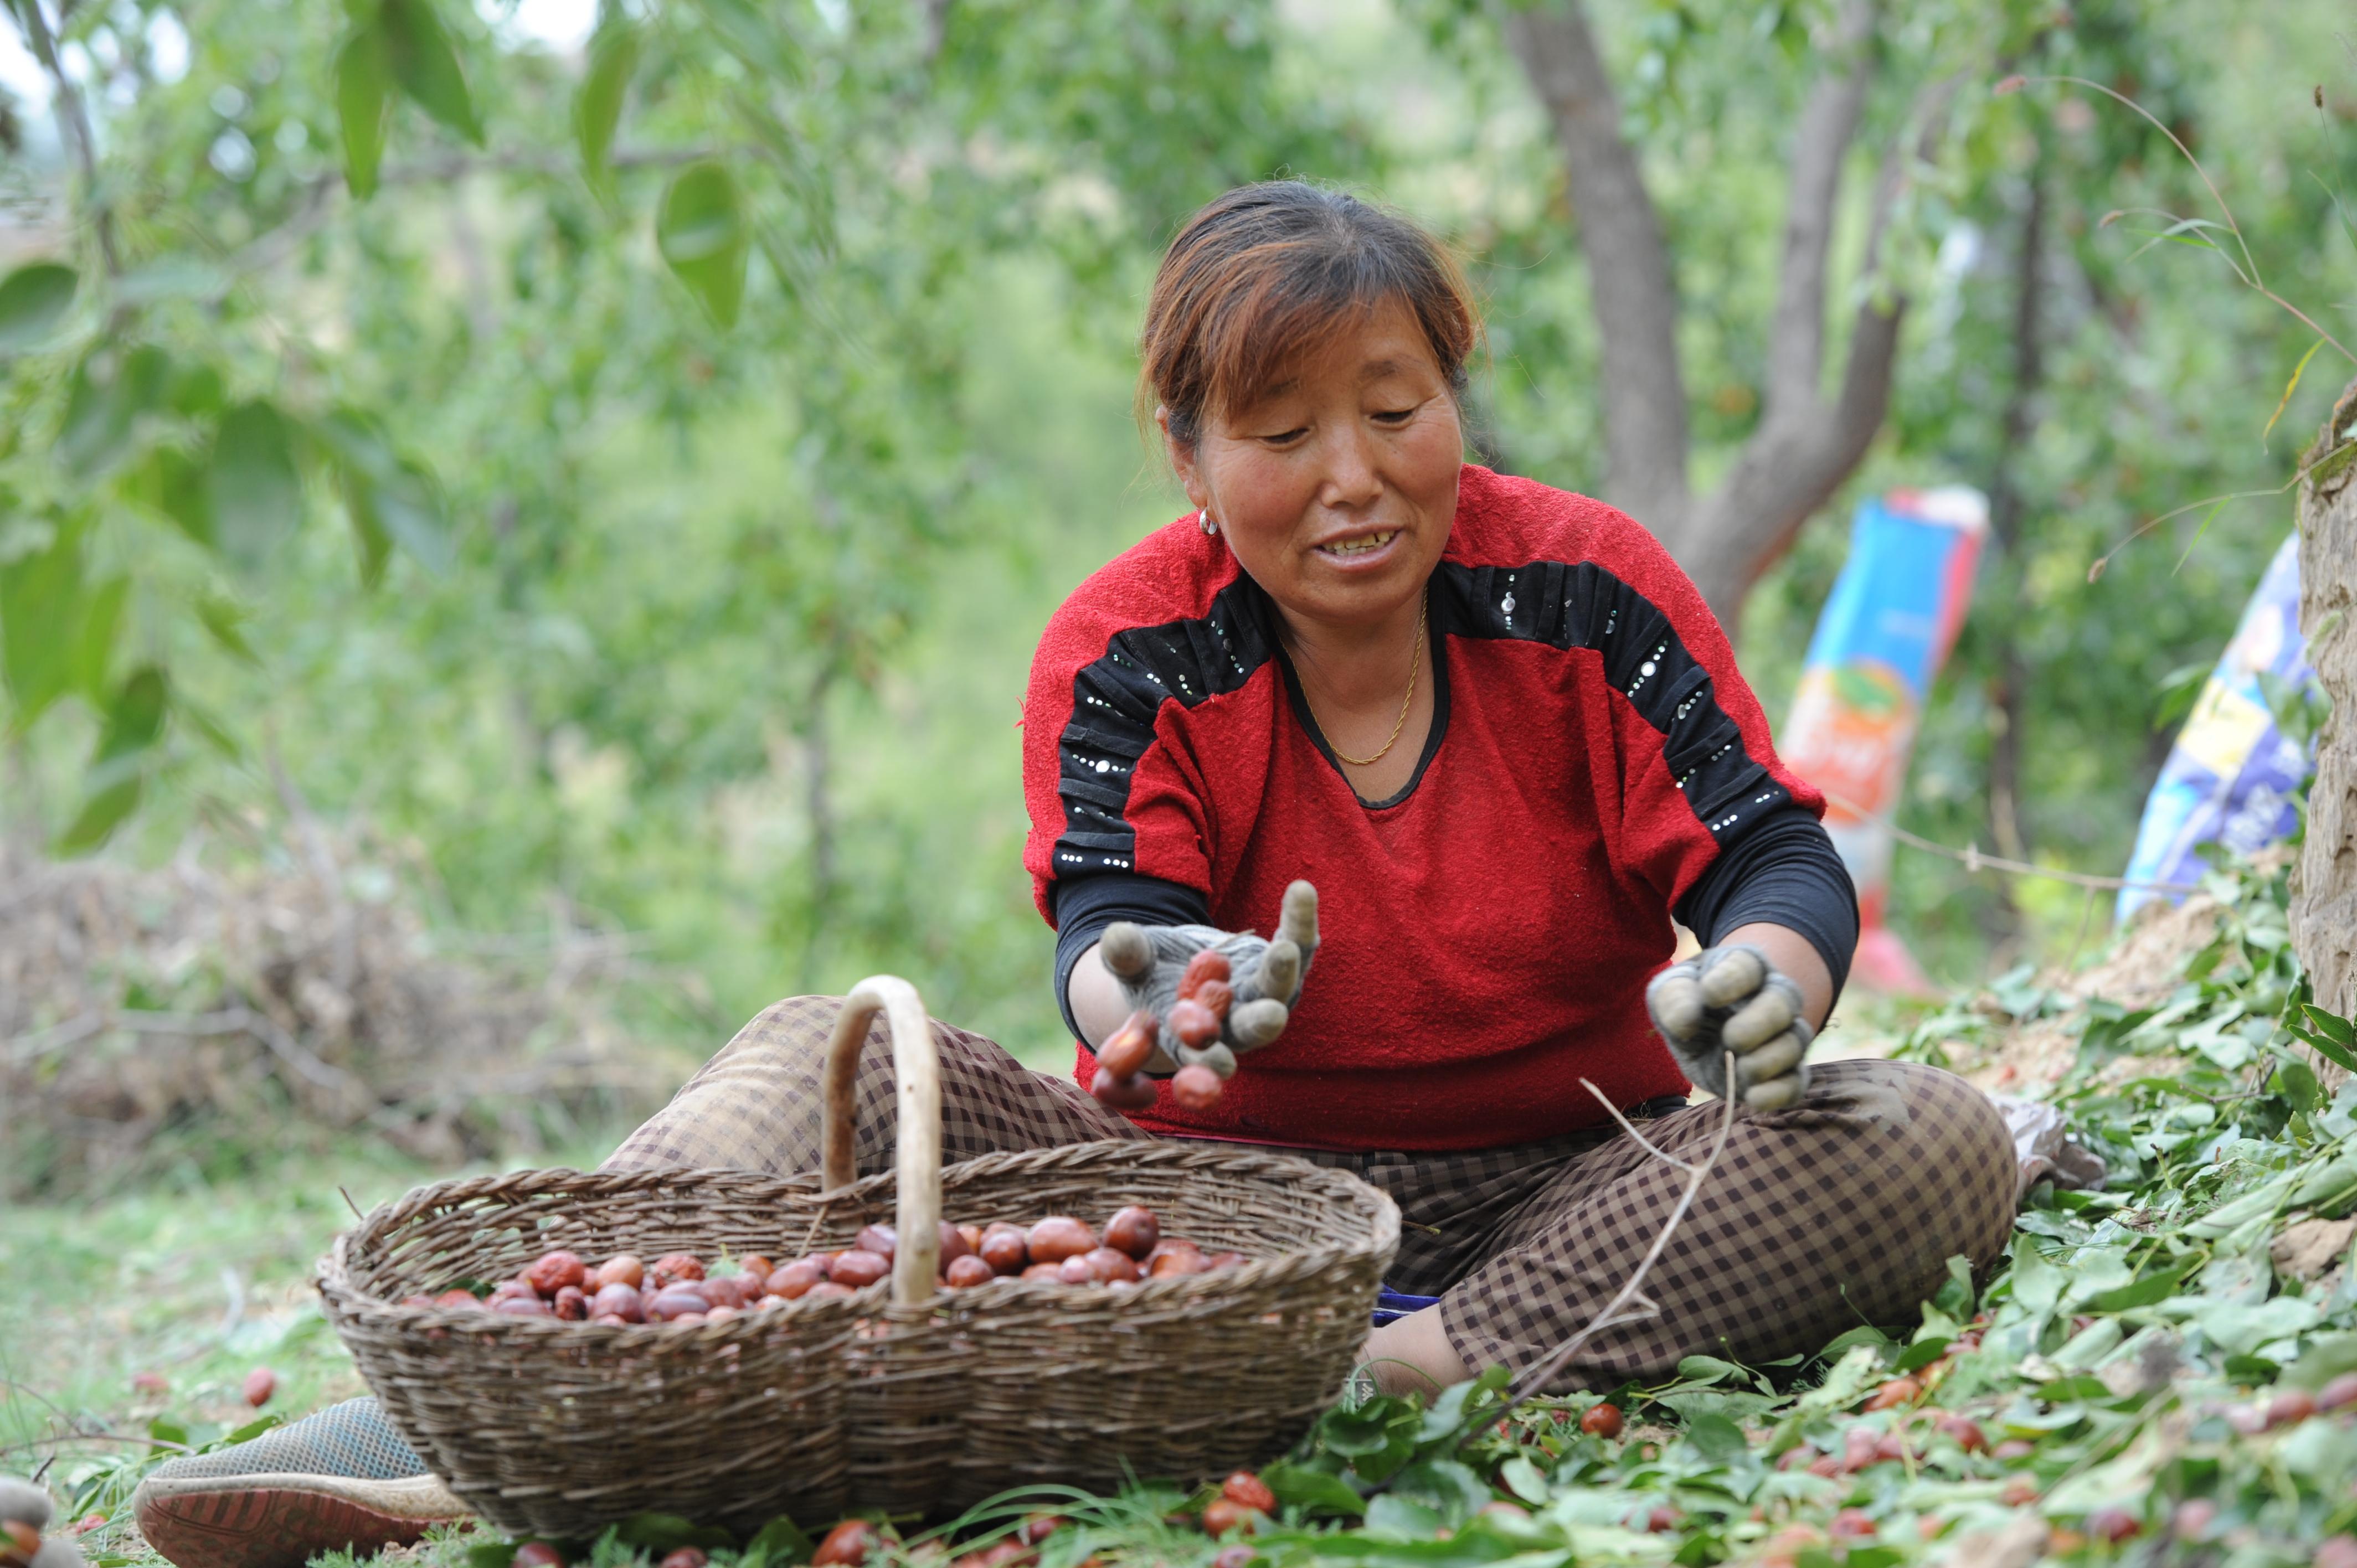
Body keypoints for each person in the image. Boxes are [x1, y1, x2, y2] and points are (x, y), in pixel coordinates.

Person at [131, 182, 2015, 1568]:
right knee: (828, 1051)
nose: (1354, 475)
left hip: (1563, 1194)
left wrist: (1771, 968)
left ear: (1457, 398)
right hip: (1195, 1217)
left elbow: (1774, 843)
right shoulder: (1132, 644)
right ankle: (514, 1375)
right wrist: (1169, 993)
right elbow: (1105, 932)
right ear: (1192, 453)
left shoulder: (1583, 588)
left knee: (1925, 1135)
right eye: (1281, 434)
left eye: (1397, 405)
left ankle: (1372, 1381)